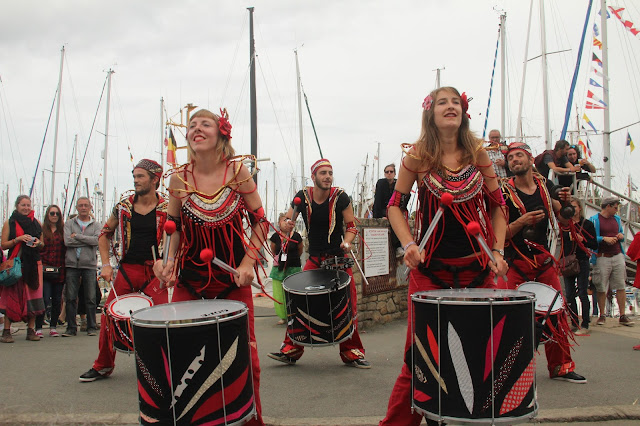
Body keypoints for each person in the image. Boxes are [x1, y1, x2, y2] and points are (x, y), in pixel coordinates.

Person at [380, 87, 508, 425]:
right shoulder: (418, 157)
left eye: (456, 102)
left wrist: (498, 250)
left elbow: (499, 206)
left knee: (480, 358)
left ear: (463, 113)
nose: (451, 106)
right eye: (442, 102)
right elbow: (395, 207)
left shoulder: (479, 155)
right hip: (429, 272)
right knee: (419, 360)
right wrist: (408, 244)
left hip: (477, 271)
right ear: (430, 113)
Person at [154, 108, 268, 425]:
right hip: (190, 281)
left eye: (205, 124)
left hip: (233, 281)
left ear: (221, 134)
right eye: (192, 125)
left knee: (248, 360)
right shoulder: (179, 178)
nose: (196, 128)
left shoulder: (237, 172)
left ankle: (250, 421)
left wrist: (248, 261)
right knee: (181, 360)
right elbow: (172, 228)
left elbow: (261, 223)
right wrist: (166, 263)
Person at [268, 158, 371, 369]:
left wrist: (347, 242)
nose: (328, 177)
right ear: (313, 176)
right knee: (298, 302)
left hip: (338, 260)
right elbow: (286, 221)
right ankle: (291, 349)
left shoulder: (341, 196)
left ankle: (352, 352)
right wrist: (285, 224)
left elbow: (351, 227)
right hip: (315, 259)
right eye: (323, 173)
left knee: (348, 306)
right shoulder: (302, 197)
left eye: (330, 173)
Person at [498, 141, 587, 383]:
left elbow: (563, 214)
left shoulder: (544, 186)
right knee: (510, 316)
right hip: (515, 261)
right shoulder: (503, 192)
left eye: (519, 156)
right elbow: (499, 235)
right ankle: (509, 370)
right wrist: (522, 221)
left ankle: (560, 367)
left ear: (529, 159)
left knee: (555, 311)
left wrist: (567, 204)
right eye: (510, 158)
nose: (514, 160)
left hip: (543, 260)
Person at [79, 159, 169, 382]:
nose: (135, 181)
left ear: (154, 179)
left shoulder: (167, 207)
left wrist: (171, 266)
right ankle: (102, 365)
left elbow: (180, 237)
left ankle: (163, 369)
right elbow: (104, 234)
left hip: (156, 272)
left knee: (161, 322)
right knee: (110, 317)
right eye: (134, 176)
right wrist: (106, 264)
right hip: (128, 270)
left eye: (140, 176)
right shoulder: (123, 206)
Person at [0, 195, 45, 343]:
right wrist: (18, 240)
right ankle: (6, 331)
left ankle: (30, 330)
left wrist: (37, 243)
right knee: (12, 296)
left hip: (33, 263)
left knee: (33, 296)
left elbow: (43, 244)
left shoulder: (36, 223)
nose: (26, 208)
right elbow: (4, 245)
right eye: (23, 205)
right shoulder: (10, 223)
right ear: (17, 206)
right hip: (16, 263)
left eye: (28, 205)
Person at [589, 196, 634, 327]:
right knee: (601, 286)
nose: (616, 210)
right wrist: (603, 238)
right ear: (608, 206)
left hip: (617, 254)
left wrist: (621, 236)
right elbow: (591, 238)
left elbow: (621, 233)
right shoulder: (595, 220)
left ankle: (622, 314)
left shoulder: (617, 219)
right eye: (615, 207)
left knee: (620, 285)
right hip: (602, 256)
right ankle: (602, 314)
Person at [62, 197, 101, 337]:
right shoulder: (69, 224)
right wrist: (87, 241)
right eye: (80, 205)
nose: (83, 208)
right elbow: (67, 241)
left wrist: (77, 236)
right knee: (71, 297)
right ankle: (71, 328)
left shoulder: (96, 225)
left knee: (90, 297)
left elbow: (97, 241)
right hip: (72, 264)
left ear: (90, 207)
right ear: (77, 208)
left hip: (89, 265)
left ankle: (91, 326)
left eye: (86, 205)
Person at [560, 198, 597, 333]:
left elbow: (594, 244)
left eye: (574, 207)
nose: (572, 209)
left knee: (582, 292)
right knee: (569, 294)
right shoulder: (564, 225)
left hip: (581, 260)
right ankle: (574, 322)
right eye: (569, 207)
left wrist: (583, 240)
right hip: (568, 261)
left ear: (579, 208)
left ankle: (586, 323)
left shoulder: (587, 224)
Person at [34, 205, 66, 338]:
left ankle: (53, 327)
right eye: (52, 213)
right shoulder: (41, 230)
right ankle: (39, 327)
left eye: (57, 214)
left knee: (57, 300)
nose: (54, 216)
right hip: (45, 269)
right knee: (44, 298)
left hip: (59, 269)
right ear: (47, 215)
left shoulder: (63, 230)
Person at [269, 213, 303, 325]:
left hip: (294, 267)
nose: (286, 222)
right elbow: (273, 250)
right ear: (279, 223)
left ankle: (296, 314)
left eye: (288, 220)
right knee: (279, 293)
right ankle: (283, 316)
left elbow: (300, 251)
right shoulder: (275, 236)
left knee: (295, 291)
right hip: (279, 268)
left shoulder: (296, 236)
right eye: (284, 220)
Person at [373, 163, 403, 257]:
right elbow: (377, 199)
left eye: (391, 171)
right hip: (383, 209)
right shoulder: (381, 183)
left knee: (400, 219)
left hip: (394, 209)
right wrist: (379, 216)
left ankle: (403, 244)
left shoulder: (398, 184)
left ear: (394, 173)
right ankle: (398, 246)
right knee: (394, 219)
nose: (389, 173)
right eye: (387, 172)